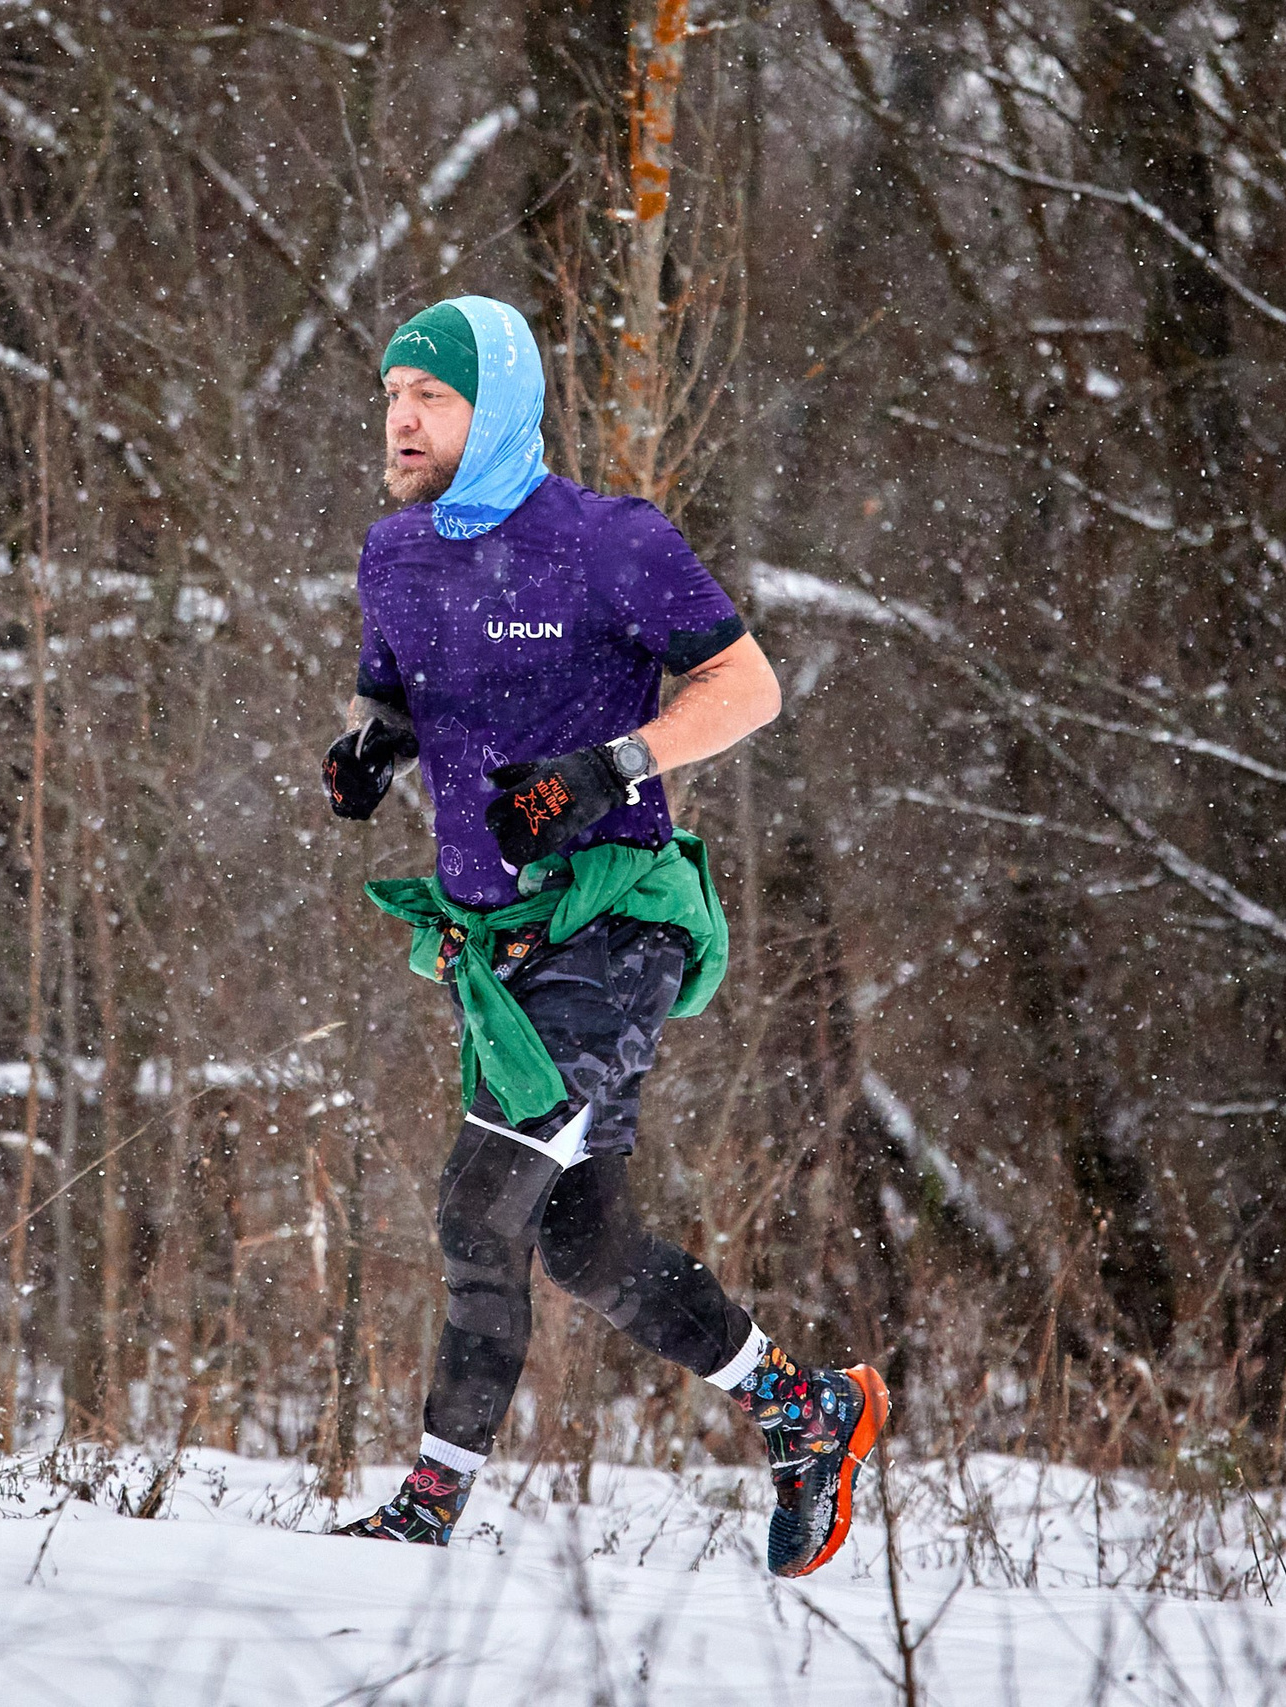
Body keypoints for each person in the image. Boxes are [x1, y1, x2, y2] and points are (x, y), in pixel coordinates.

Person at [321, 295, 888, 1578]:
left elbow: (748, 686)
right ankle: (808, 1414)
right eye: (392, 397)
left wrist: (607, 765)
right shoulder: (395, 554)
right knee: (580, 1237)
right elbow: (400, 699)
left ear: (499, 408)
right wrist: (367, 756)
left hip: (618, 917)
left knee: (480, 1206)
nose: (401, 420)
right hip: (497, 947)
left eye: (431, 398)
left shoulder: (608, 542)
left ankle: (426, 1508)